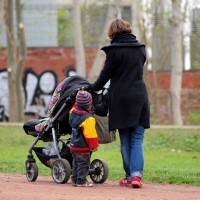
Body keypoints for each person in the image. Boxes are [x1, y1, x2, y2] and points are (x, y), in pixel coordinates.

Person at [89, 18, 150, 188]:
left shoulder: (114, 51)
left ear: (112, 32)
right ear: (128, 30)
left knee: (125, 138)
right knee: (137, 138)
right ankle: (137, 177)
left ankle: (129, 176)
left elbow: (105, 76)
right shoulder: (141, 49)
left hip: (121, 98)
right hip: (140, 97)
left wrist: (92, 87)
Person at [69, 90, 99, 187]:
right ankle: (81, 181)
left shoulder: (72, 112)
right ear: (89, 105)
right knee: (83, 164)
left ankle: (74, 179)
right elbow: (90, 134)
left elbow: (75, 106)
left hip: (73, 145)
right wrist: (94, 146)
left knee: (76, 163)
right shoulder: (88, 119)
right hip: (82, 146)